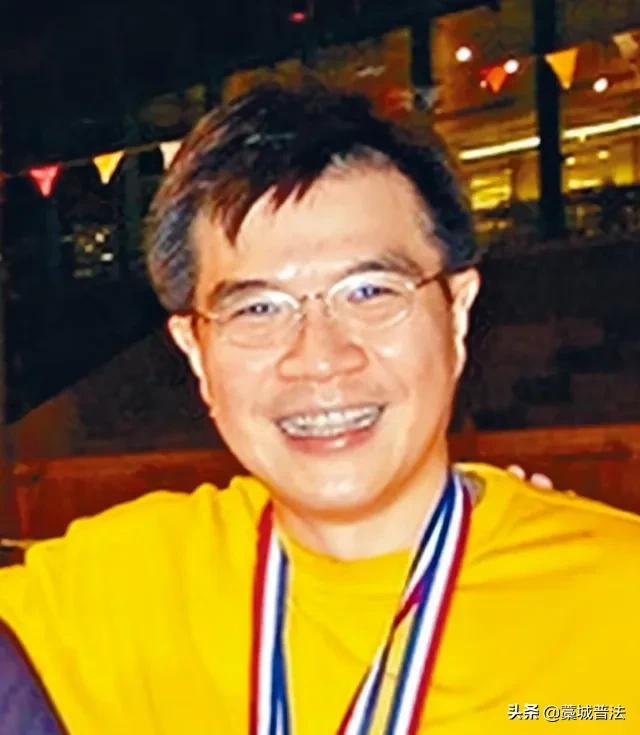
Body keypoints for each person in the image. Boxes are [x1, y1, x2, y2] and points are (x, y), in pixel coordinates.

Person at [1, 83, 639, 734]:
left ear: (457, 313)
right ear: (195, 350)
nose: (320, 358)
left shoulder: (619, 607)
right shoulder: (118, 590)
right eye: (258, 308)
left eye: (369, 291)